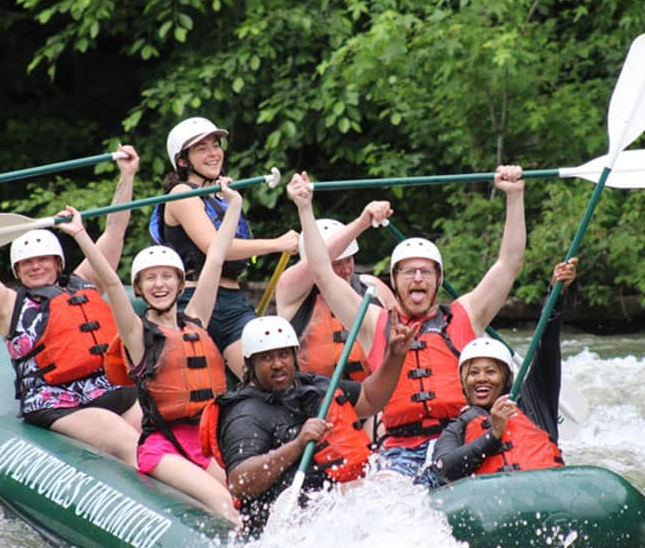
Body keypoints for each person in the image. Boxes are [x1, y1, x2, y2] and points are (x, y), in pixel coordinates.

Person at [285, 165, 527, 485]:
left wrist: (514, 197)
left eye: (426, 272)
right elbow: (322, 273)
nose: (418, 279)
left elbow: (509, 263)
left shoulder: (467, 314)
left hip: (463, 439)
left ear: (439, 279)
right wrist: (305, 208)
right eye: (408, 272)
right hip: (401, 450)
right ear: (394, 280)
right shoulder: (374, 323)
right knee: (385, 489)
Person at [0, 146, 143, 466]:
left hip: (115, 389)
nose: (35, 266)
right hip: (62, 402)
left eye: (43, 260)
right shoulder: (8, 305)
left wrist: (127, 175)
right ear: (17, 270)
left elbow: (115, 230)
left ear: (57, 262)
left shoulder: (85, 281)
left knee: (162, 434)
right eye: (27, 262)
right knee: (130, 443)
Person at [56, 176, 244, 526]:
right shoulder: (138, 335)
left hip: (206, 439)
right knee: (223, 503)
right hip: (163, 446)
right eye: (150, 279)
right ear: (140, 289)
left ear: (180, 283)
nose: (159, 285)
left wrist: (234, 205)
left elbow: (216, 258)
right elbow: (112, 283)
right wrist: (80, 234)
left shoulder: (196, 319)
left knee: (247, 494)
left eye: (167, 277)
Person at [199, 314, 413, 535]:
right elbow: (239, 482)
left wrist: (395, 356)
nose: (277, 364)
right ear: (250, 364)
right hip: (283, 520)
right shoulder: (244, 414)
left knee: (392, 481)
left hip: (330, 502)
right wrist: (297, 445)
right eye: (266, 358)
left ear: (294, 355)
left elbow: (369, 399)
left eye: (283, 354)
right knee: (376, 487)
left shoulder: (313, 386)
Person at [151, 117, 299, 379]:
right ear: (183, 161)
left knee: (267, 380)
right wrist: (277, 244)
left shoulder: (221, 196)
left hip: (232, 304)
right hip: (193, 302)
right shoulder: (181, 193)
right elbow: (214, 248)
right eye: (202, 148)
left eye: (216, 145)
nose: (213, 153)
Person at [429, 259, 578, 485]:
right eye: (473, 373)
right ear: (464, 382)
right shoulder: (458, 427)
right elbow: (443, 469)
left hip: (547, 492)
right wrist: (493, 434)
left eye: (491, 372)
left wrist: (556, 293)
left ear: (506, 378)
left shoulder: (533, 403)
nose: (481, 379)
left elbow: (547, 343)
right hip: (495, 502)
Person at [274, 205, 396, 382]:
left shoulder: (373, 286)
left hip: (370, 392)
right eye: (337, 263)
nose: (346, 270)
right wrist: (362, 223)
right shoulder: (292, 291)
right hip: (313, 394)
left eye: (349, 260)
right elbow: (317, 264)